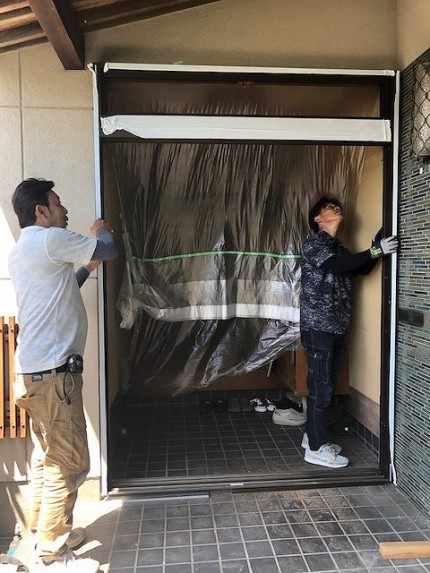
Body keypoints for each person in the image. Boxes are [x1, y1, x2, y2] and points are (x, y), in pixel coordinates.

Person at [8, 178, 119, 572]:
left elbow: (62, 289)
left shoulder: (24, 249)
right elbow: (110, 247)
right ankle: (52, 555)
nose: (65, 210)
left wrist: (87, 267)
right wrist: (99, 229)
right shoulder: (49, 239)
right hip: (55, 377)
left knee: (47, 462)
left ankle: (42, 535)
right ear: (41, 211)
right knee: (68, 465)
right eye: (57, 203)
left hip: (34, 374)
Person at [299, 196, 398, 468]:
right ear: (318, 219)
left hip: (335, 327)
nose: (336, 208)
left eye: (337, 205)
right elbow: (335, 265)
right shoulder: (314, 244)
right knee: (321, 389)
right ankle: (316, 448)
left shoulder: (338, 248)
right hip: (319, 327)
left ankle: (311, 437)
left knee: (325, 387)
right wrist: (374, 251)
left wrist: (377, 246)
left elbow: (360, 267)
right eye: (328, 207)